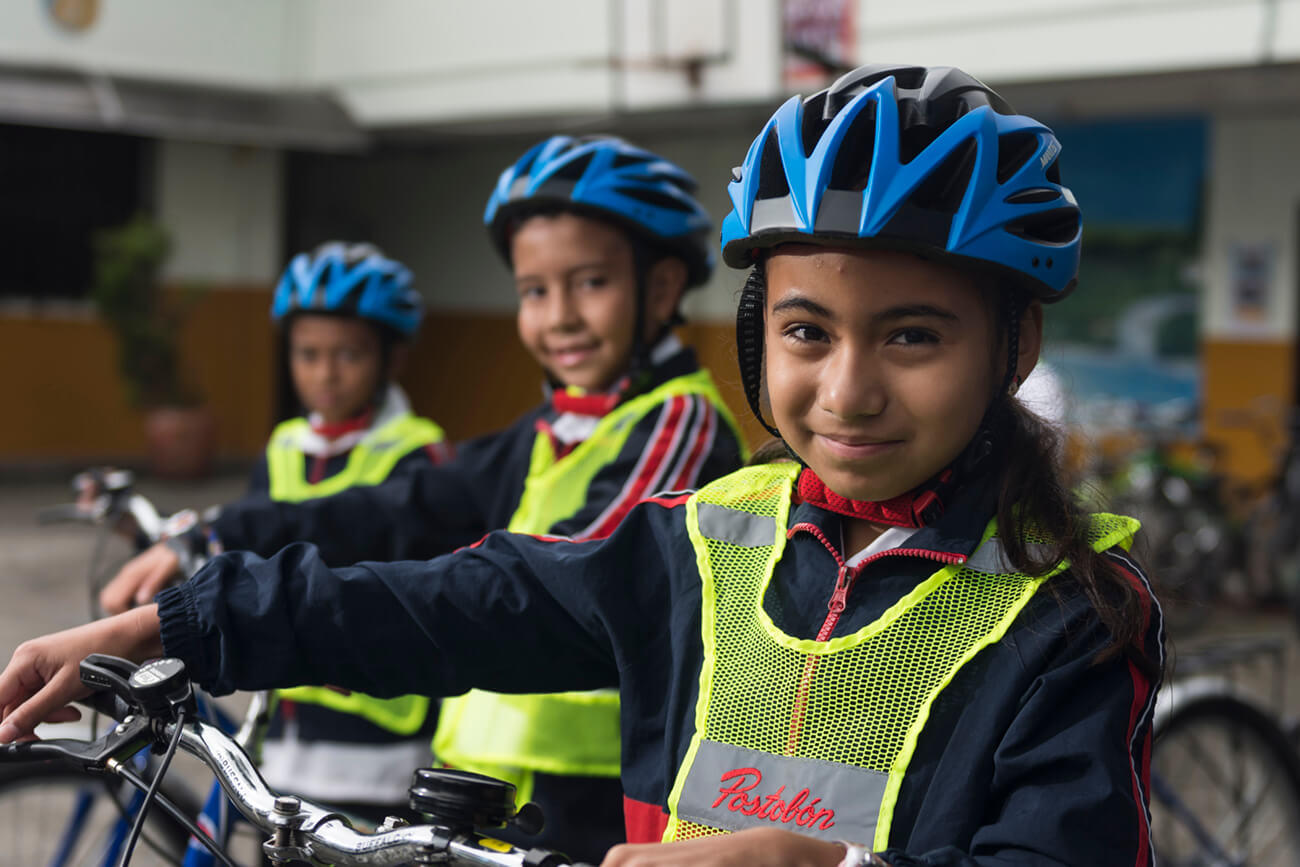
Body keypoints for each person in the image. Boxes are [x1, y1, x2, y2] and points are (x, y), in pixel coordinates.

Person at [0, 65, 1164, 867]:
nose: (847, 390)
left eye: (913, 336)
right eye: (808, 333)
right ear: (762, 337)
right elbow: (454, 599)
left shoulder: (1070, 615)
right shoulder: (703, 543)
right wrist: (172, 625)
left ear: (1014, 346)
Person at [96, 135, 748, 860]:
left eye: (589, 282)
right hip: (494, 786)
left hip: (597, 796)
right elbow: (395, 510)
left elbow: (534, 589)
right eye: (534, 290)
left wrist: (254, 618)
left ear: (660, 289)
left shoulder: (676, 423)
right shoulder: (546, 428)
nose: (558, 314)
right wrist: (212, 533)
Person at [231, 241, 453, 823]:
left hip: (384, 753)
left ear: (391, 358)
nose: (324, 372)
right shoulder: (281, 447)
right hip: (283, 748)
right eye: (307, 354)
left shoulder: (417, 452)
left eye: (348, 354)